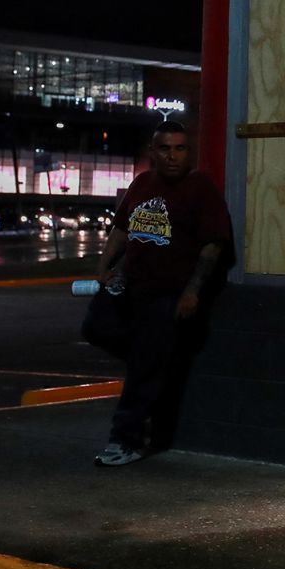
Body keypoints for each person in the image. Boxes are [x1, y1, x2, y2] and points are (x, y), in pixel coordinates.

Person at [82, 120, 232, 466]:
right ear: (153, 151)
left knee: (144, 370)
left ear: (188, 152)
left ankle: (126, 441)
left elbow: (213, 246)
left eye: (180, 148)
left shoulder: (200, 189)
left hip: (167, 293)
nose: (173, 155)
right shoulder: (142, 184)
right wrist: (104, 265)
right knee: (95, 328)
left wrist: (192, 291)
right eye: (165, 148)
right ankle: (153, 360)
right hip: (129, 286)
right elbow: (122, 228)